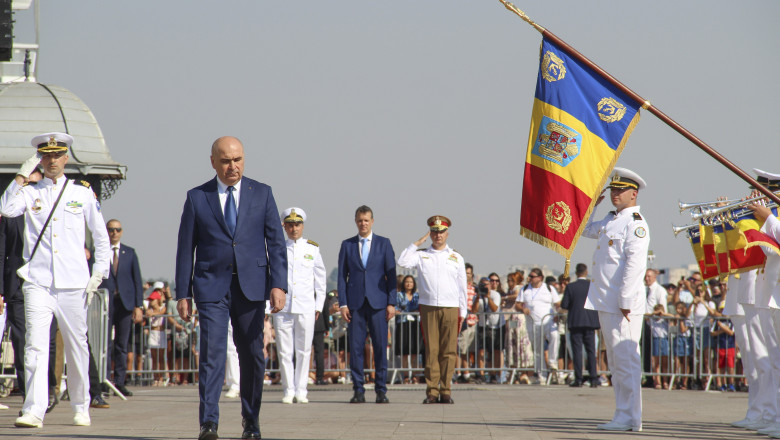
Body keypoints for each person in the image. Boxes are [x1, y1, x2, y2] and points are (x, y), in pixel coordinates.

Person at [175, 136, 287, 440]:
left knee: (253, 354)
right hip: (212, 286)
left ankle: (251, 421)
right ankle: (208, 423)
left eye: (237, 159)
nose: (232, 166)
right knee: (212, 353)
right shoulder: (198, 197)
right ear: (213, 162)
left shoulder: (262, 194)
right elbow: (186, 248)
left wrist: (278, 284)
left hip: (252, 287)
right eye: (225, 160)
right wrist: (183, 293)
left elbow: (276, 243)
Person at [0, 132, 110, 428]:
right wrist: (23, 175)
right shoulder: (30, 192)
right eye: (45, 156)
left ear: (66, 158)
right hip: (38, 281)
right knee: (35, 346)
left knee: (77, 346)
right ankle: (33, 409)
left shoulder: (81, 193)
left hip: (74, 282)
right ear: (40, 159)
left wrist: (99, 272)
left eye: (56, 155)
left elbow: (101, 237)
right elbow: (6, 209)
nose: (51, 161)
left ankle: (80, 403)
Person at [582, 167, 650, 432]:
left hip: (623, 303)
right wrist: (592, 206)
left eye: (620, 190)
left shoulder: (636, 224)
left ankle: (631, 416)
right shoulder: (611, 221)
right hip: (606, 300)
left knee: (625, 360)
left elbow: (635, 265)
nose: (615, 194)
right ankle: (623, 413)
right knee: (615, 360)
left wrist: (625, 300)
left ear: (633, 194)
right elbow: (584, 229)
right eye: (613, 189)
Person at [397, 215, 467, 404]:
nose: (438, 235)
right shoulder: (421, 255)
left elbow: (462, 287)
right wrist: (418, 242)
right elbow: (402, 261)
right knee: (432, 351)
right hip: (428, 307)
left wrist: (463, 312)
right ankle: (432, 391)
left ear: (447, 234)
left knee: (448, 351)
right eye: (434, 232)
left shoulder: (456, 258)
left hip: (451, 307)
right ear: (431, 234)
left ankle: (446, 390)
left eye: (441, 232)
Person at [337, 205, 396, 404]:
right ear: (356, 221)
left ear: (372, 221)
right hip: (355, 304)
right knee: (355, 348)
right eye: (360, 220)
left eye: (366, 220)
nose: (363, 223)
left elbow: (392, 276)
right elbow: (341, 277)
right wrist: (343, 304)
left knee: (380, 347)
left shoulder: (384, 244)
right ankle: (358, 389)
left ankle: (381, 390)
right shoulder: (347, 245)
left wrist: (392, 302)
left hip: (379, 303)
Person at [274, 207, 326, 404]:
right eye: (290, 225)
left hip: (306, 305)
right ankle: (288, 389)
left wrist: (318, 306)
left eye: (297, 224)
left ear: (302, 226)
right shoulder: (278, 248)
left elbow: (320, 280)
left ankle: (301, 389)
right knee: (284, 350)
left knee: (304, 350)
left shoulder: (312, 249)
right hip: (283, 307)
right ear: (284, 226)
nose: (294, 228)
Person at [0, 168, 42, 403]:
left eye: (35, 185)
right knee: (21, 339)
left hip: (42, 283)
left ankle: (46, 389)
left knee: (40, 340)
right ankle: (29, 395)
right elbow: (2, 253)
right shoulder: (11, 216)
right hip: (16, 285)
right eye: (27, 184)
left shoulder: (45, 213)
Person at [100, 218, 143, 397]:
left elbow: (137, 280)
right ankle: (103, 381)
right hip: (105, 303)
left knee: (122, 344)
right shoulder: (100, 252)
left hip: (125, 304)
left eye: (117, 230)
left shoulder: (130, 253)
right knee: (104, 345)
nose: (114, 233)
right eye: (111, 229)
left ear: (122, 231)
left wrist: (138, 306)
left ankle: (119, 381)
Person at [514, 268, 560, 384]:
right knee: (538, 351)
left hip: (548, 321)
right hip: (533, 323)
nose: (530, 278)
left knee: (555, 336)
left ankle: (552, 361)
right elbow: (517, 304)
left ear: (540, 278)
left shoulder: (549, 289)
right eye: (529, 276)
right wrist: (523, 308)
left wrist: (558, 313)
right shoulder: (525, 289)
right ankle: (542, 375)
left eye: (532, 276)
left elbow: (557, 303)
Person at [560, 263, 600, 387]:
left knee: (577, 352)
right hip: (590, 323)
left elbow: (564, 305)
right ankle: (593, 378)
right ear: (586, 272)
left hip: (576, 322)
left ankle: (578, 378)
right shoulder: (592, 286)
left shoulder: (571, 287)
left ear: (576, 273)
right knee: (591, 351)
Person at [394, 275, 420, 384]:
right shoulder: (399, 295)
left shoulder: (417, 296)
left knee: (414, 351)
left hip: (414, 324)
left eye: (411, 282)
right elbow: (395, 308)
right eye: (407, 282)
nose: (409, 284)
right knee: (404, 352)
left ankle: (414, 375)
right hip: (403, 323)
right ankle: (405, 376)